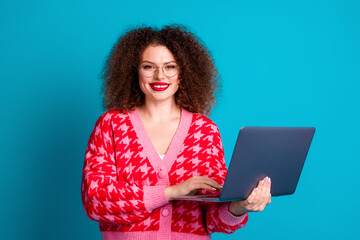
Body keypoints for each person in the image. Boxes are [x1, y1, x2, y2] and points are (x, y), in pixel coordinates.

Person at [81, 25, 271, 240]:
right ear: (134, 71)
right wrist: (170, 192)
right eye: (148, 67)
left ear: (184, 72)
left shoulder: (204, 131)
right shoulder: (112, 125)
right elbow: (96, 202)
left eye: (170, 66)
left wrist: (240, 206)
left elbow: (212, 218)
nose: (160, 76)